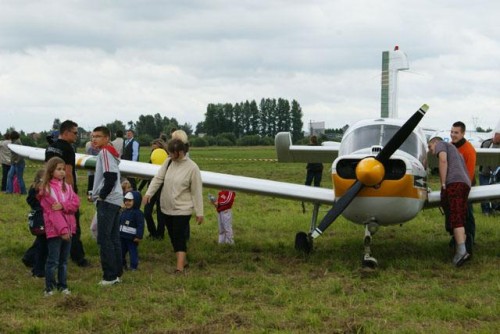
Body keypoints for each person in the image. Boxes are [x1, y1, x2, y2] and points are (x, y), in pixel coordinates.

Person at [143, 139, 204, 274]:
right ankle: (183, 260)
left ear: (180, 152)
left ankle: (179, 268)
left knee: (179, 235)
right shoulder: (168, 162)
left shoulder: (192, 168)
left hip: (183, 208)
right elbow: (158, 178)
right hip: (166, 206)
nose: (169, 155)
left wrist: (200, 212)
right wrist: (148, 194)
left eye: (171, 153)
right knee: (171, 234)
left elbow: (196, 191)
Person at [45, 120, 90, 267]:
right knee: (72, 223)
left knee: (52, 223)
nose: (77, 136)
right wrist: (71, 194)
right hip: (63, 191)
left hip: (50, 190)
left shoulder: (50, 147)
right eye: (75, 133)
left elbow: (47, 169)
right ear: (66, 132)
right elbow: (69, 173)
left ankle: (33, 256)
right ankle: (78, 257)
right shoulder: (68, 149)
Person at [39, 157, 80, 296]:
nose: (62, 172)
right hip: (56, 231)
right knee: (53, 260)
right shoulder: (47, 190)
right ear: (51, 171)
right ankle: (49, 288)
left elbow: (75, 204)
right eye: (59, 169)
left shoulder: (68, 187)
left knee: (64, 261)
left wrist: (63, 206)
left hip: (68, 229)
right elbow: (53, 213)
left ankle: (63, 286)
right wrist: (62, 230)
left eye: (63, 169)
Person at [428, 137, 471, 267]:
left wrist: (443, 184)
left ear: (435, 142)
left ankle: (461, 251)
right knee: (460, 215)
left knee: (455, 216)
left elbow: (443, 160)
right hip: (465, 183)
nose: (430, 151)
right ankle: (462, 247)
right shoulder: (456, 151)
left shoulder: (441, 144)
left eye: (430, 147)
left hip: (455, 183)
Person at [90, 126, 124, 286]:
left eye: (98, 136)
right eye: (92, 136)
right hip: (117, 199)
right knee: (114, 238)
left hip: (108, 200)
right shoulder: (112, 152)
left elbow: (109, 177)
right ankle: (117, 272)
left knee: (104, 239)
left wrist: (101, 196)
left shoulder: (104, 152)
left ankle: (109, 276)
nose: (94, 139)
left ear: (106, 138)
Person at [450, 121, 476, 254]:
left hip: (465, 185)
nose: (453, 135)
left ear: (463, 133)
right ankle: (455, 237)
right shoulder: (450, 147)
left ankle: (470, 238)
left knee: (467, 211)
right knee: (453, 212)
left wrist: (462, 191)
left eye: (456, 133)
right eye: (452, 132)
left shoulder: (469, 150)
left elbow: (469, 174)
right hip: (452, 186)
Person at [139, 139, 168, 239]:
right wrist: (140, 188)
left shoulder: (167, 158)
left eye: (154, 145)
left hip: (162, 188)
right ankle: (153, 233)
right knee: (147, 212)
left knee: (160, 212)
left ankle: (160, 234)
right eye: (152, 145)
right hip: (151, 188)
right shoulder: (152, 158)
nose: (152, 147)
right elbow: (147, 175)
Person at [22, 169, 48, 277]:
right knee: (42, 246)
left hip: (37, 221)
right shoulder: (42, 192)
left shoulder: (33, 190)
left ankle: (29, 258)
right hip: (43, 221)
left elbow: (29, 200)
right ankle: (37, 268)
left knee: (40, 242)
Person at [478, 122, 500, 215]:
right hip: (484, 173)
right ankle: (485, 210)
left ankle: (495, 208)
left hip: (497, 173)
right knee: (484, 192)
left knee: (495, 192)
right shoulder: (486, 143)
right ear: (494, 135)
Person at [120, 191, 145, 271]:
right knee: (121, 251)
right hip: (122, 237)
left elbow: (140, 225)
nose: (127, 202)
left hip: (132, 238)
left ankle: (133, 266)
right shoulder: (123, 212)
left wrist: (138, 236)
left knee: (132, 252)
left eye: (130, 201)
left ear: (136, 201)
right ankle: (122, 264)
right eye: (126, 200)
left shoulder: (138, 213)